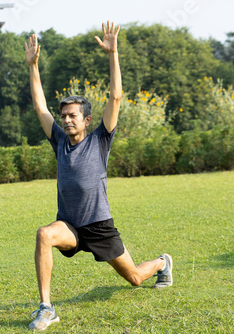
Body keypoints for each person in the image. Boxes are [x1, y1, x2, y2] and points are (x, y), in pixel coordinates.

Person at [24, 21, 173, 331]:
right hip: (70, 225)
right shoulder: (60, 141)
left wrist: (113, 53)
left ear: (87, 119)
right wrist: (33, 66)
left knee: (133, 277)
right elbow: (39, 106)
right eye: (63, 115)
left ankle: (162, 263)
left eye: (72, 115)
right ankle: (47, 307)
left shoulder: (99, 138)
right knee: (44, 234)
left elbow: (116, 97)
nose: (65, 120)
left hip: (99, 225)